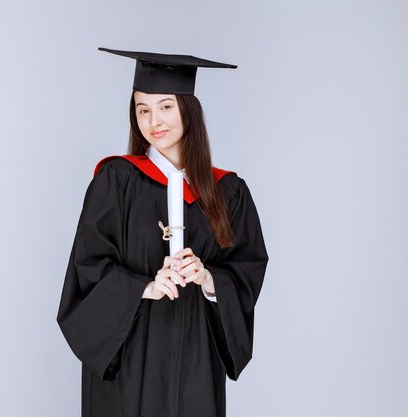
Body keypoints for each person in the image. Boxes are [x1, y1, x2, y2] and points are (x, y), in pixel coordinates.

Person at [56, 47, 269, 417]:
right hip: (131, 359)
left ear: (188, 109)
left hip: (197, 362)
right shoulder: (116, 182)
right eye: (143, 109)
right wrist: (144, 287)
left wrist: (208, 278)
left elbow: (247, 271)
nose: (154, 120)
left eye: (166, 106)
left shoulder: (227, 192)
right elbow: (86, 268)